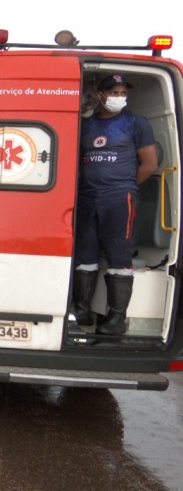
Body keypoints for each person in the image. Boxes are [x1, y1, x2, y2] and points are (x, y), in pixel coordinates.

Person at [71, 74, 159, 335]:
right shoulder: (86, 127)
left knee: (119, 257)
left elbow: (150, 164)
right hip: (88, 198)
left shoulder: (136, 123)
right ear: (100, 95)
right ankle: (81, 312)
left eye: (123, 92)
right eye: (114, 92)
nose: (119, 97)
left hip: (120, 199)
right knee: (84, 256)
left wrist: (124, 188)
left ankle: (115, 319)